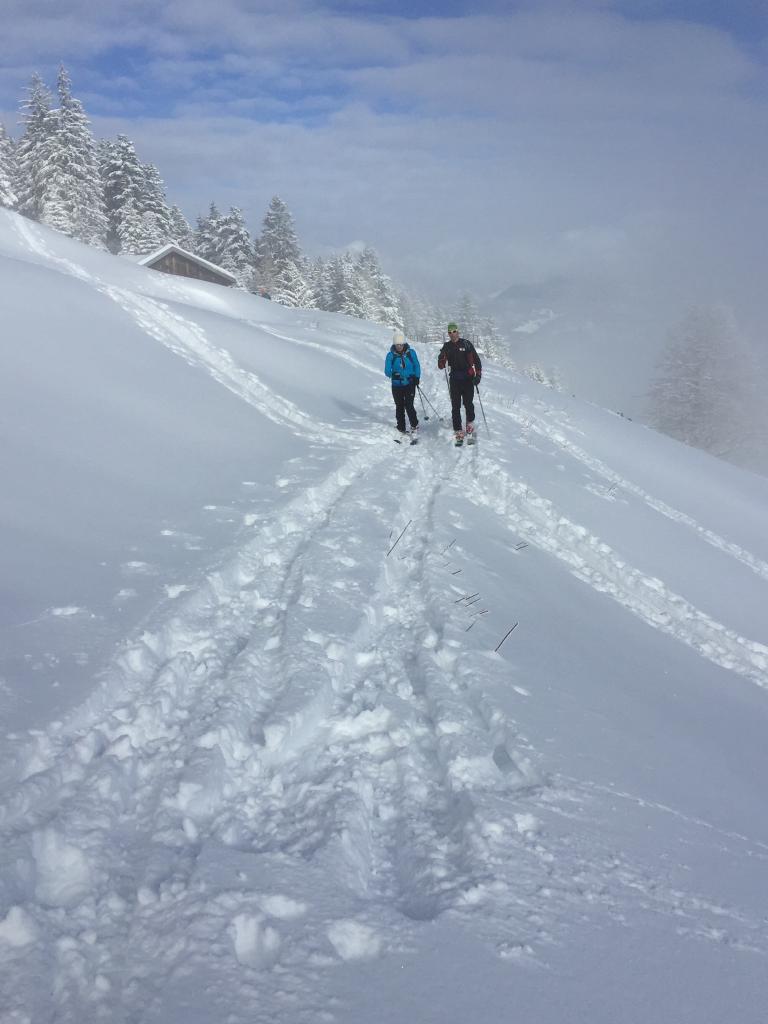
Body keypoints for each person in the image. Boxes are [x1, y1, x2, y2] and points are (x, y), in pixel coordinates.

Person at [438, 322, 482, 442]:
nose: (452, 334)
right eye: (450, 332)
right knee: (455, 405)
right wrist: (441, 359)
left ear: (458, 331)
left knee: (468, 403)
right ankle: (458, 429)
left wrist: (478, 375)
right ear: (448, 334)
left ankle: (470, 423)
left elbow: (477, 361)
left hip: (468, 379)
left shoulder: (466, 344)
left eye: (454, 331)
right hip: (455, 380)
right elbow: (440, 365)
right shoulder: (447, 346)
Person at [385, 330, 421, 436]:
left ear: (404, 343)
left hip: (410, 383)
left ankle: (414, 424)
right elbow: (387, 370)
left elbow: (416, 365)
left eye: (400, 344)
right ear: (394, 344)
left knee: (409, 405)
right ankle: (401, 426)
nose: (399, 346)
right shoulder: (390, 355)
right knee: (399, 406)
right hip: (396, 385)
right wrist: (393, 374)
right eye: (397, 344)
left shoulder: (411, 353)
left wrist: (417, 377)